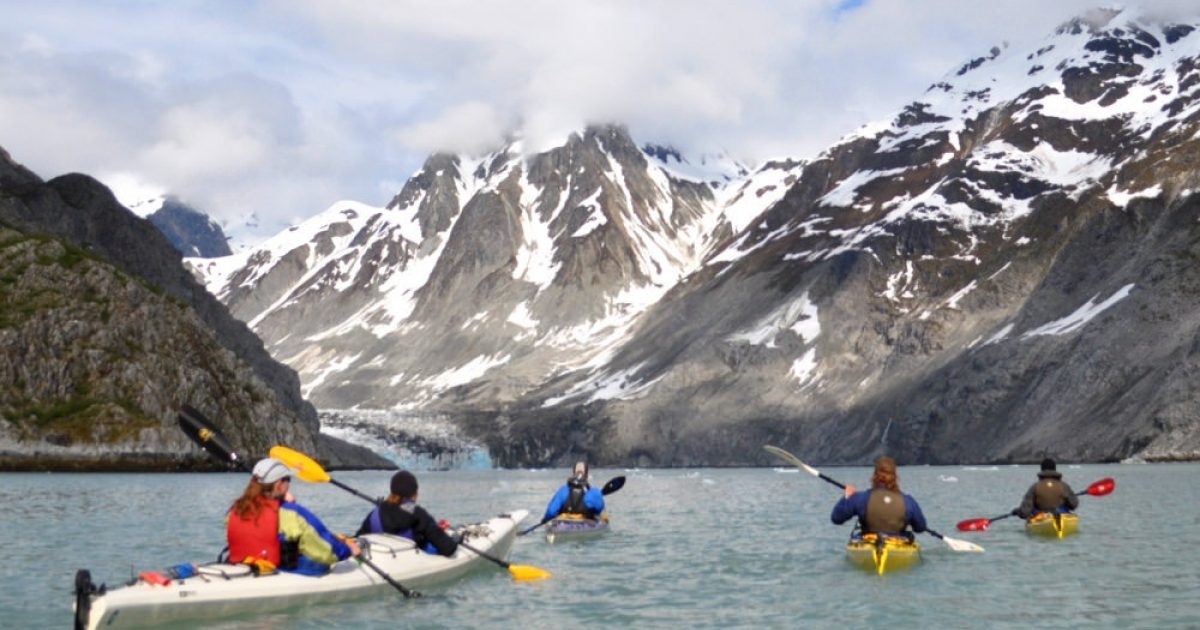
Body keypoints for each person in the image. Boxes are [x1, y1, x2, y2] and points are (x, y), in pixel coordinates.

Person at [226, 457, 360, 575]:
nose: (290, 484)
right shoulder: (292, 513)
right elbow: (326, 552)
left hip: (244, 565)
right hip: (286, 570)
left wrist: (281, 501)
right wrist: (348, 549)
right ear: (279, 484)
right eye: (288, 479)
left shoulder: (234, 511)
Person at [355, 470, 458, 557]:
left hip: (383, 559)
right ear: (414, 494)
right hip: (412, 562)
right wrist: (456, 539)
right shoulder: (418, 513)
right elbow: (448, 549)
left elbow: (357, 540)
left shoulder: (375, 513)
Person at [830, 455, 927, 539]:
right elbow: (920, 528)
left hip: (868, 542)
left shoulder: (860, 498)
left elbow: (836, 518)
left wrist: (847, 496)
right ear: (895, 477)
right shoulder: (909, 502)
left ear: (874, 476)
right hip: (897, 543)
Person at [1013, 458, 1079, 519]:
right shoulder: (1064, 486)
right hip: (1061, 515)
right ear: (1055, 469)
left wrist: (1018, 512)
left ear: (1041, 469)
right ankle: (1058, 517)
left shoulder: (1035, 487)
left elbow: (1025, 513)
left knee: (1033, 510)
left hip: (1042, 517)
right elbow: (1074, 504)